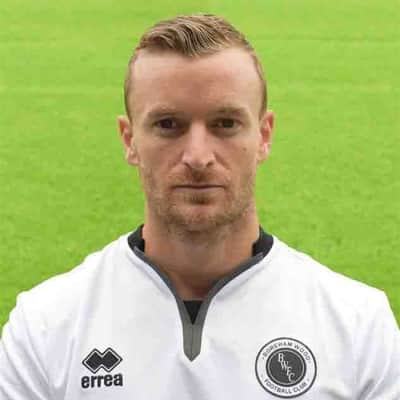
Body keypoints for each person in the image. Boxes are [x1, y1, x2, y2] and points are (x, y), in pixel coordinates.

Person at [0, 13, 399, 400]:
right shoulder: (46, 328)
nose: (197, 156)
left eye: (225, 124)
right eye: (168, 124)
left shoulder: (358, 329)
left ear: (263, 136)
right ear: (129, 140)